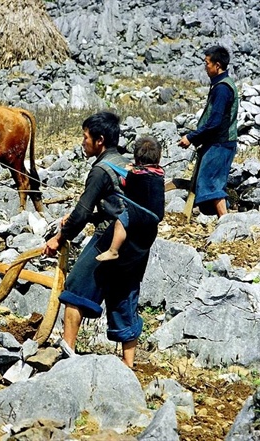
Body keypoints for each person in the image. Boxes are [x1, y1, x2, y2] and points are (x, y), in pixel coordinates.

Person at [44, 111, 163, 368]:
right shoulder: (127, 165)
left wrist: (58, 238)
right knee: (124, 296)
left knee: (76, 289)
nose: (82, 142)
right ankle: (128, 364)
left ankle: (68, 350)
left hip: (108, 239)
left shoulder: (100, 171)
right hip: (135, 246)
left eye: (85, 137)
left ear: (99, 140)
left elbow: (82, 213)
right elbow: (118, 207)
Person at [178, 45, 239, 217]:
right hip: (218, 143)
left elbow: (214, 122)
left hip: (220, 144)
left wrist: (191, 137)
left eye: (207, 63)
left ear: (217, 65)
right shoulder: (221, 85)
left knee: (211, 183)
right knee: (210, 181)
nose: (205, 67)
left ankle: (226, 223)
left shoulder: (222, 89)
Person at [96, 136, 165, 262]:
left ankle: (113, 250)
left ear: (136, 157)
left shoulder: (137, 175)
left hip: (141, 212)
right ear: (158, 157)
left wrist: (129, 171)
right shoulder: (159, 173)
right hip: (156, 214)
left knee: (120, 223)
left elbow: (125, 182)